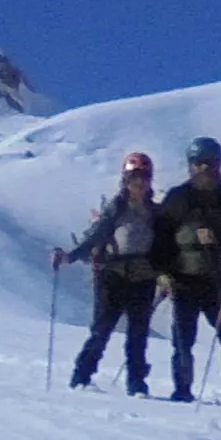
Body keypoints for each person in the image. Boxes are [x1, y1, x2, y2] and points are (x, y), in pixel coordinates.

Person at [157, 140, 221, 406]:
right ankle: (183, 388)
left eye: (210, 163)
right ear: (190, 166)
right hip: (183, 278)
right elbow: (161, 237)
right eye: (199, 163)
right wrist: (164, 273)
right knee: (182, 338)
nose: (205, 168)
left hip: (216, 279)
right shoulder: (178, 197)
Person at [59, 150, 162, 394]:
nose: (139, 183)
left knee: (138, 336)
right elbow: (97, 236)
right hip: (113, 276)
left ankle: (136, 383)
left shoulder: (156, 213)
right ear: (125, 180)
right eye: (134, 178)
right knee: (101, 330)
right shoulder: (116, 209)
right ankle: (82, 376)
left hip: (143, 277)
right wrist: (73, 255)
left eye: (143, 178)